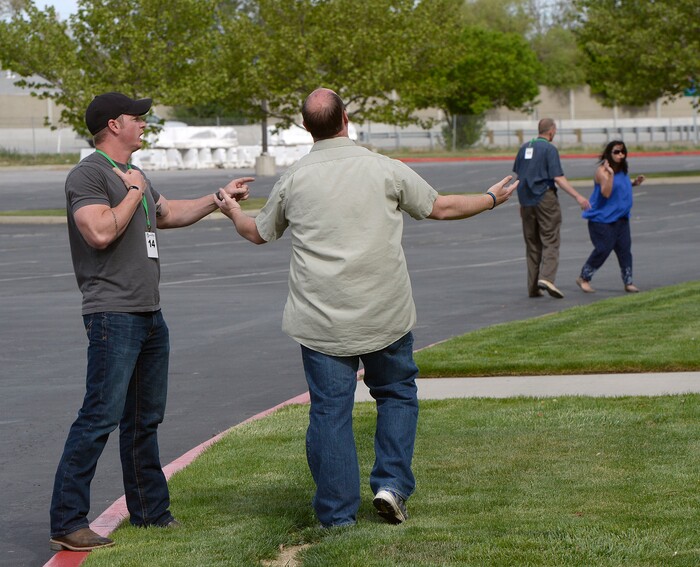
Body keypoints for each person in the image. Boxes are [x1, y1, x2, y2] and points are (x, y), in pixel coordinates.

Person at [215, 87, 518, 528]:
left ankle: (336, 516)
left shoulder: (295, 179)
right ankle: (391, 485)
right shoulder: (384, 169)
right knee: (396, 394)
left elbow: (258, 233)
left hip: (321, 320)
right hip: (385, 313)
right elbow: (442, 207)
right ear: (346, 119)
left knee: (329, 412)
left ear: (306, 128)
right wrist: (490, 198)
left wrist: (228, 210)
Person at [49, 92, 253, 552]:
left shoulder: (134, 176)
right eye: (136, 118)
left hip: (147, 313)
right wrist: (136, 188)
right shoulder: (90, 174)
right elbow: (99, 231)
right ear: (113, 124)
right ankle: (67, 520)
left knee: (144, 419)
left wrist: (219, 200)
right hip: (112, 314)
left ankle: (149, 513)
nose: (144, 123)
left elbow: (167, 214)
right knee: (98, 416)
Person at [512, 118, 590, 299]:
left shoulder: (524, 148)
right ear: (552, 131)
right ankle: (546, 278)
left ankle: (532, 286)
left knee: (532, 244)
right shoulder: (549, 149)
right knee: (550, 239)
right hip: (544, 197)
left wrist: (521, 202)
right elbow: (558, 178)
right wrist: (578, 196)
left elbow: (519, 176)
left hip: (527, 201)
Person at [576, 140, 644, 293]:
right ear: (609, 153)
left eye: (623, 152)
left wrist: (634, 183)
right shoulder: (602, 171)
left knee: (625, 250)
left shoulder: (623, 170)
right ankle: (584, 277)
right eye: (616, 152)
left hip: (621, 218)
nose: (620, 155)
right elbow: (606, 193)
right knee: (603, 249)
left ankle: (628, 282)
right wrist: (611, 174)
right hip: (602, 220)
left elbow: (619, 187)